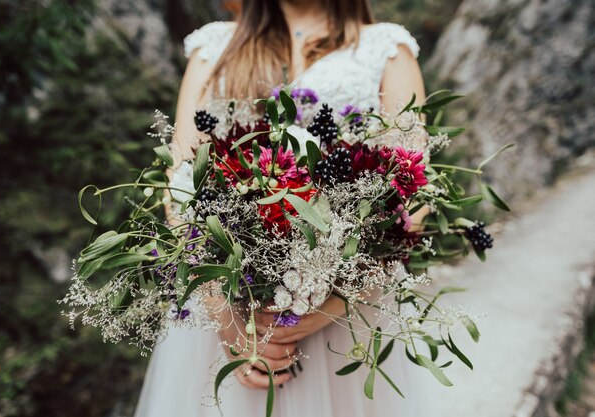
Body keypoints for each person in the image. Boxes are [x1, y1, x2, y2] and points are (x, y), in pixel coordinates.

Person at [135, 1, 440, 416]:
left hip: (347, 316)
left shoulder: (385, 46)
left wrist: (333, 307)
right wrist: (227, 320)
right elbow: (182, 184)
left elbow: (414, 193)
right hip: (228, 307)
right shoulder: (214, 46)